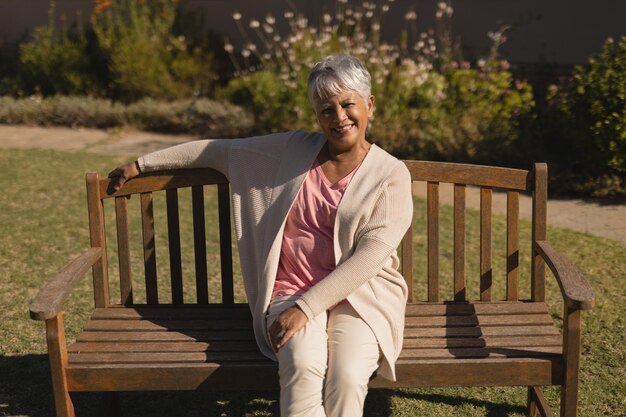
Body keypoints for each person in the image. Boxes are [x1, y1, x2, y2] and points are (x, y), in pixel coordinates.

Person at [108, 55, 413, 417]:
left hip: (361, 296)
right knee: (302, 366)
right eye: (326, 109)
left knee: (346, 376)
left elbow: (371, 256)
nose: (339, 117)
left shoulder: (391, 174)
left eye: (348, 104)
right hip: (291, 290)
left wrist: (308, 308)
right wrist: (141, 165)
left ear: (369, 105)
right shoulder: (292, 152)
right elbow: (216, 151)